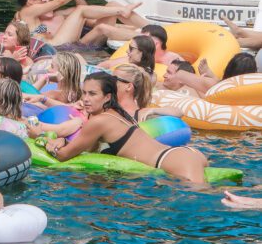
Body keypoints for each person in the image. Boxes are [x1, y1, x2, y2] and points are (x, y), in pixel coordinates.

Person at [44, 72, 208, 183]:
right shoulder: (117, 113)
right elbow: (89, 149)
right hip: (183, 155)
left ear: (107, 96)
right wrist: (63, 140)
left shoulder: (99, 121)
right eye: (84, 93)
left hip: (172, 160)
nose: (86, 99)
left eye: (92, 94)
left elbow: (63, 156)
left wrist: (48, 143)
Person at [15, 0, 142, 46]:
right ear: (29, 1)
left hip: (58, 43)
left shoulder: (30, 17)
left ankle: (149, 26)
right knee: (81, 11)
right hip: (56, 45)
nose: (43, 0)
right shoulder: (28, 11)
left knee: (102, 7)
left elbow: (30, 33)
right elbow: (59, 2)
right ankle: (123, 10)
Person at [113, 63, 182, 121]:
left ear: (129, 87)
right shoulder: (108, 101)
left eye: (114, 79)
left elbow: (179, 112)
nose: (108, 81)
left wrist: (152, 110)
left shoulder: (139, 114)